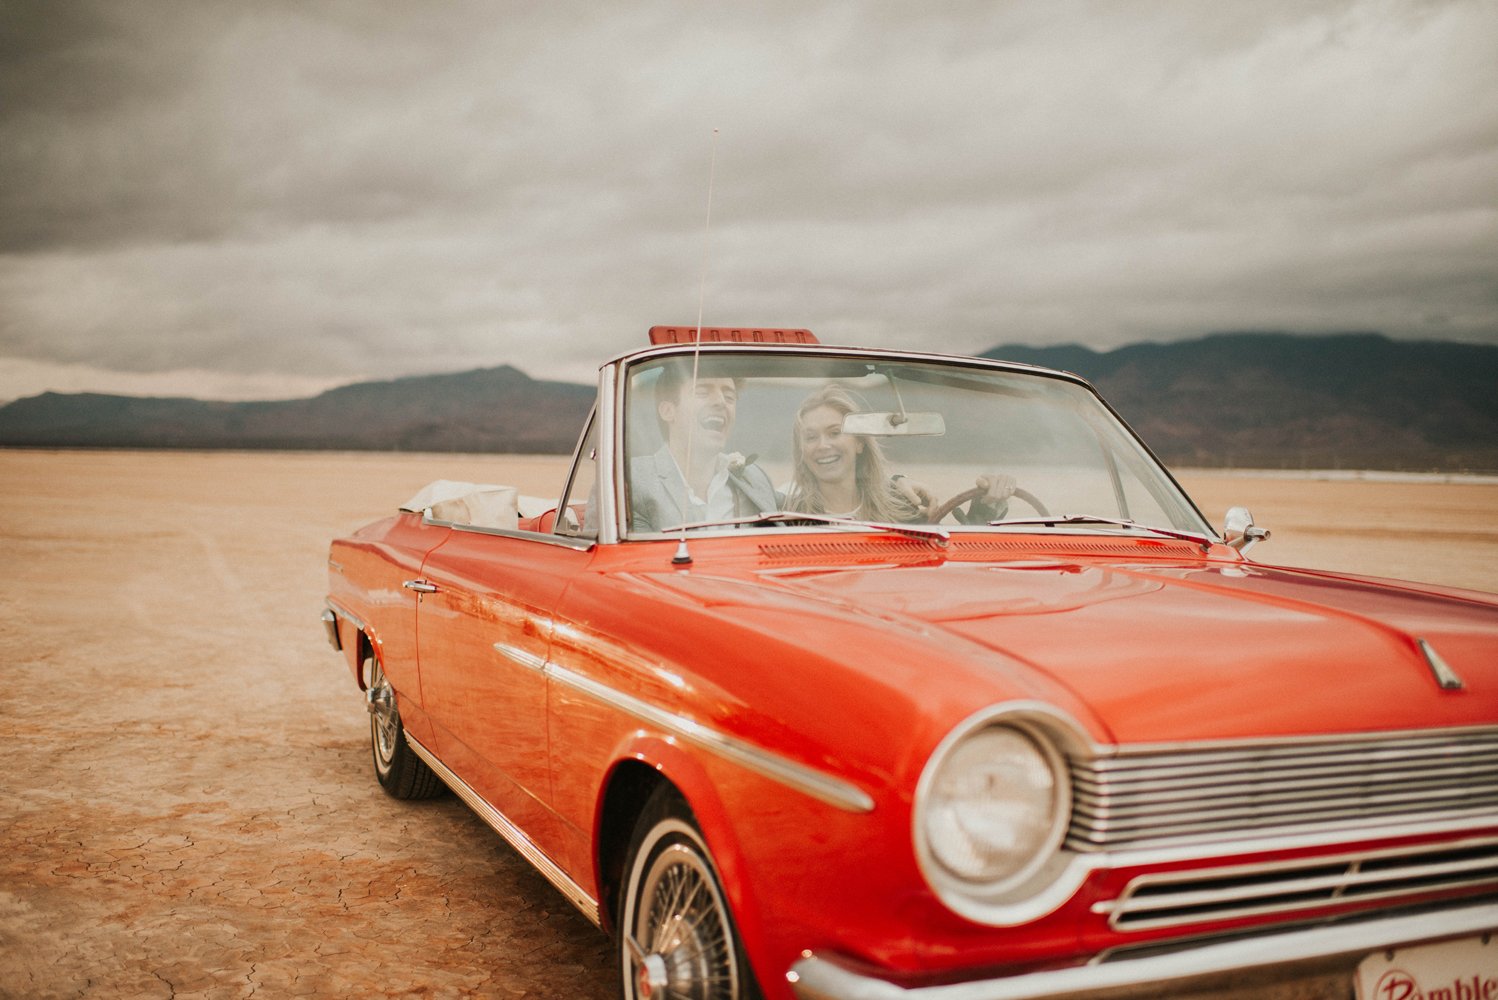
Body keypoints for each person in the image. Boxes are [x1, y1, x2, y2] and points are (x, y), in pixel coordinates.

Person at [785, 385, 1015, 524]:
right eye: (811, 437)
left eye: (835, 433)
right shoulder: (786, 518)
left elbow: (939, 568)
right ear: (801, 451)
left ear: (860, 443)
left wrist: (985, 507)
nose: (823, 445)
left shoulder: (904, 510)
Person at [629, 360, 779, 532]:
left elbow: (797, 509)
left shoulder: (754, 478)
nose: (721, 402)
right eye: (702, 392)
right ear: (668, 411)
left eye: (729, 397)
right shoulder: (631, 480)